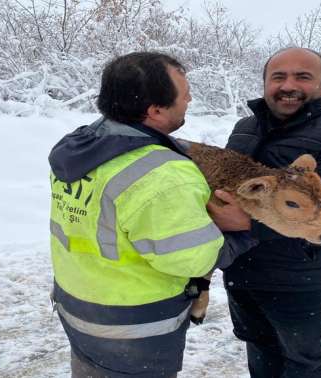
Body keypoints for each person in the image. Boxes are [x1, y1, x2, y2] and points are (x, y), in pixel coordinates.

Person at [48, 52, 254, 378]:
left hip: (77, 308)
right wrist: (241, 231)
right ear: (155, 110)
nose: (190, 100)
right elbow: (193, 259)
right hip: (134, 327)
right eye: (184, 96)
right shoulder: (164, 173)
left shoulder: (77, 149)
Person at [218, 47, 321, 377]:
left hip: (298, 282)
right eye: (278, 77)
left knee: (303, 365)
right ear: (265, 83)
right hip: (241, 273)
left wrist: (249, 223)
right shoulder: (245, 128)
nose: (288, 85)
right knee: (260, 355)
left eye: (302, 77)